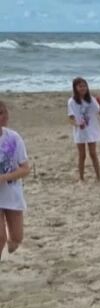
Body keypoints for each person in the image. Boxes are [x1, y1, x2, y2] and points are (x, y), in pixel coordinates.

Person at [0, 100, 30, 261]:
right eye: (0, 113)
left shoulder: (12, 138)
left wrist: (4, 177)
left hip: (11, 193)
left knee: (17, 238)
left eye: (4, 112)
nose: (4, 116)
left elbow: (25, 168)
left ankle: (12, 244)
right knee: (0, 237)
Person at [67, 77, 100, 182]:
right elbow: (70, 118)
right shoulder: (71, 101)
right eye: (80, 86)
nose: (83, 88)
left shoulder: (91, 100)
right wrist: (78, 124)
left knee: (93, 153)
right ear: (75, 88)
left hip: (91, 129)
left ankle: (98, 177)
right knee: (82, 155)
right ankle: (81, 178)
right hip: (80, 131)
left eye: (84, 86)